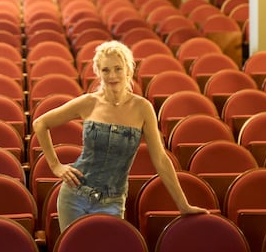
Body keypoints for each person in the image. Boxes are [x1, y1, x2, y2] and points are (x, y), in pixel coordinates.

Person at [33, 39, 208, 231]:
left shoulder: (143, 108)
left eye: (118, 68)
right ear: (98, 73)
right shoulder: (88, 102)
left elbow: (160, 159)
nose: (112, 75)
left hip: (113, 201)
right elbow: (40, 123)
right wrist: (55, 165)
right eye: (106, 70)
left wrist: (183, 205)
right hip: (75, 197)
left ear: (128, 70)